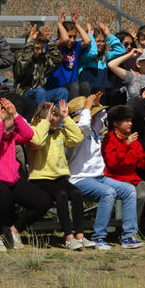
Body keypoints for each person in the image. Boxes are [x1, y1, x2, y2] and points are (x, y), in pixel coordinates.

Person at [0, 98, 52, 252]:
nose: (9, 132)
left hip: (9, 178)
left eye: (11, 128)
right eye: (6, 129)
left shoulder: (12, 135)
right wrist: (0, 124)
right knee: (3, 193)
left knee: (44, 201)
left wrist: (15, 115)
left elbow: (29, 135)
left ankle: (14, 230)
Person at [67, 93, 144, 250]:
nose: (96, 115)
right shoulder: (77, 131)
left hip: (99, 177)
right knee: (108, 193)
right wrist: (87, 107)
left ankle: (128, 236)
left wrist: (97, 103)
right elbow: (83, 125)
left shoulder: (94, 131)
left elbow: (103, 116)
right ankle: (99, 236)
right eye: (91, 113)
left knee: (129, 190)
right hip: (80, 179)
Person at [28, 100, 95, 250]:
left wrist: (66, 118)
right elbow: (37, 141)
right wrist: (45, 123)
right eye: (52, 123)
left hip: (59, 177)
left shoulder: (59, 133)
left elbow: (77, 138)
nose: (55, 127)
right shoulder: (34, 131)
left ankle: (80, 235)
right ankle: (68, 237)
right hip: (40, 178)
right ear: (43, 120)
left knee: (76, 193)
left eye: (56, 124)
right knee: (61, 195)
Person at [102, 105, 145, 238]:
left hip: (133, 179)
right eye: (126, 121)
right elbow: (111, 163)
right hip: (115, 179)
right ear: (116, 123)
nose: (130, 123)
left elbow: (141, 164)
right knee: (140, 195)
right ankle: (130, 231)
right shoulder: (109, 138)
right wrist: (126, 145)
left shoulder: (133, 139)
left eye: (130, 120)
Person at [44, 7, 93, 99]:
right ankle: (74, 112)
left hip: (71, 86)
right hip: (56, 88)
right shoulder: (53, 45)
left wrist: (77, 24)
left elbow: (87, 41)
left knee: (85, 85)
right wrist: (59, 23)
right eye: (70, 36)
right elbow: (65, 39)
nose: (72, 40)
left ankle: (87, 109)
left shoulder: (76, 47)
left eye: (74, 37)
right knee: (74, 86)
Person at [13, 23, 66, 105]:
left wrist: (49, 41)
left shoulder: (42, 59)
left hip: (40, 94)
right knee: (40, 92)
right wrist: (30, 42)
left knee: (62, 92)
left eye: (42, 48)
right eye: (37, 48)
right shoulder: (20, 56)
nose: (40, 51)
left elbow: (57, 60)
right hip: (23, 95)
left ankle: (60, 117)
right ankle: (41, 117)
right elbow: (22, 65)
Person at [78, 22, 126, 94]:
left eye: (103, 41)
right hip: (88, 92)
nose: (101, 44)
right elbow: (93, 53)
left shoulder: (104, 57)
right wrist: (90, 36)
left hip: (103, 92)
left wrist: (108, 34)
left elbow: (121, 50)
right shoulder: (83, 56)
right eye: (97, 41)